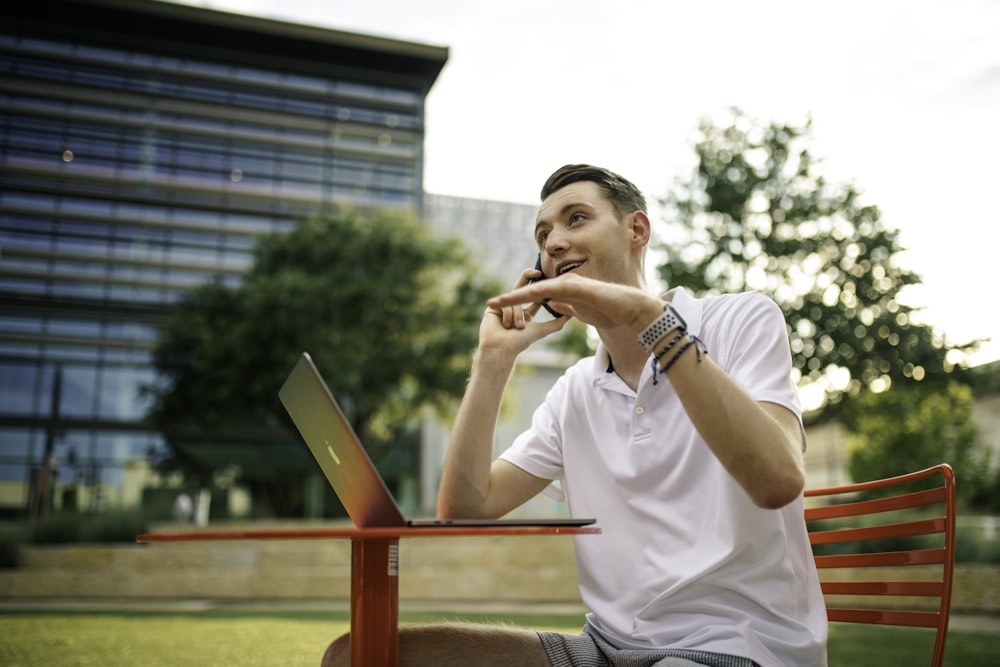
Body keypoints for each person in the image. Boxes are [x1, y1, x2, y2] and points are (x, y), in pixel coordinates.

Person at [321, 164, 828, 666]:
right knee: (356, 654)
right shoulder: (574, 392)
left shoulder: (741, 320)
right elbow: (465, 508)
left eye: (576, 219)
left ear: (637, 229)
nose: (554, 243)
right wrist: (493, 361)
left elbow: (778, 480)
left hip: (736, 645)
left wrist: (647, 321)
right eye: (544, 235)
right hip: (603, 649)